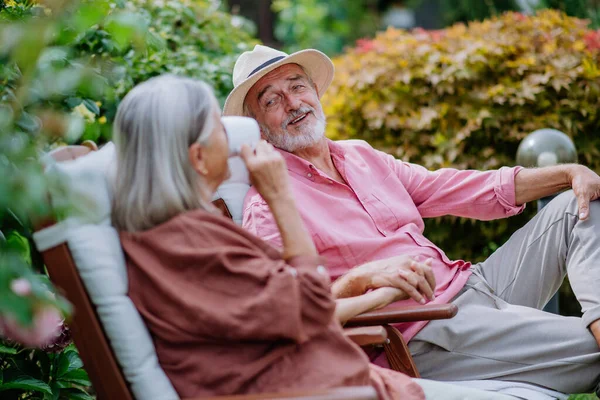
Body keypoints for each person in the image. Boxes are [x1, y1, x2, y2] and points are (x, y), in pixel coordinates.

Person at [225, 44, 600, 395]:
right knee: (592, 351)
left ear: (316, 92)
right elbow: (286, 313)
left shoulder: (359, 156)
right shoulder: (270, 203)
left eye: (298, 86)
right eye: (272, 100)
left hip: (474, 284)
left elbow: (452, 187)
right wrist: (359, 281)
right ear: (257, 126)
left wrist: (569, 173)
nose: (293, 103)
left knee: (579, 203)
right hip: (423, 329)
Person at [110, 75, 510, 399]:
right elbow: (309, 306)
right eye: (220, 129)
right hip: (325, 386)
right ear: (198, 158)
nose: (234, 140)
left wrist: (379, 293)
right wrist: (279, 193)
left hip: (341, 374)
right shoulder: (189, 245)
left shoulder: (183, 234)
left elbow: (290, 308)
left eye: (299, 87)